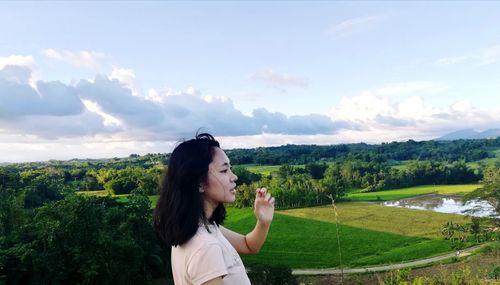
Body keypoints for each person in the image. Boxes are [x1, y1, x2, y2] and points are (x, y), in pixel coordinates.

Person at [153, 133, 275, 285]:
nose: (234, 177)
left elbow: (248, 245)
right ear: (199, 183)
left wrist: (263, 222)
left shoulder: (202, 227)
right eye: (224, 171)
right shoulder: (205, 246)